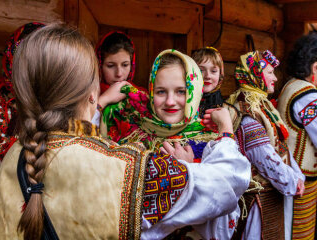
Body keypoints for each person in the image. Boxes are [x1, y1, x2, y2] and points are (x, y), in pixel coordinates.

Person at [0, 25, 250, 240]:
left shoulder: (13, 157)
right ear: (92, 93)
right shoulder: (129, 171)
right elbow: (228, 183)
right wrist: (226, 133)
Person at [101, 49, 251, 239]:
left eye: (181, 91)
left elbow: (225, 211)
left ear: (194, 91)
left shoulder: (210, 140)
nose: (170, 102)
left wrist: (189, 168)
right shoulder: (132, 135)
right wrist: (102, 101)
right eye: (161, 91)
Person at [225, 50, 305, 240]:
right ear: (255, 75)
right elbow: (263, 157)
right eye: (269, 73)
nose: (275, 78)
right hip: (259, 198)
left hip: (273, 190)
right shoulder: (248, 112)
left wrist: (296, 175)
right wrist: (293, 182)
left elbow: (280, 147)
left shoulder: (263, 107)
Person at [278, 32, 317, 240]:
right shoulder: (308, 96)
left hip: (295, 177)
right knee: (299, 233)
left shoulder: (291, 85)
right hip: (300, 181)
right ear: (315, 68)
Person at [0, 22, 44, 171]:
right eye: (24, 62)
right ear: (12, 61)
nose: (32, 70)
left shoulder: (57, 100)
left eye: (40, 61)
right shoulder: (1, 101)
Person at [93, 31, 142, 127]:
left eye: (125, 65)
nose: (119, 74)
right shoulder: (88, 97)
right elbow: (82, 128)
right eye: (111, 66)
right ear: (99, 65)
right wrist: (104, 100)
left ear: (132, 65)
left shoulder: (141, 97)